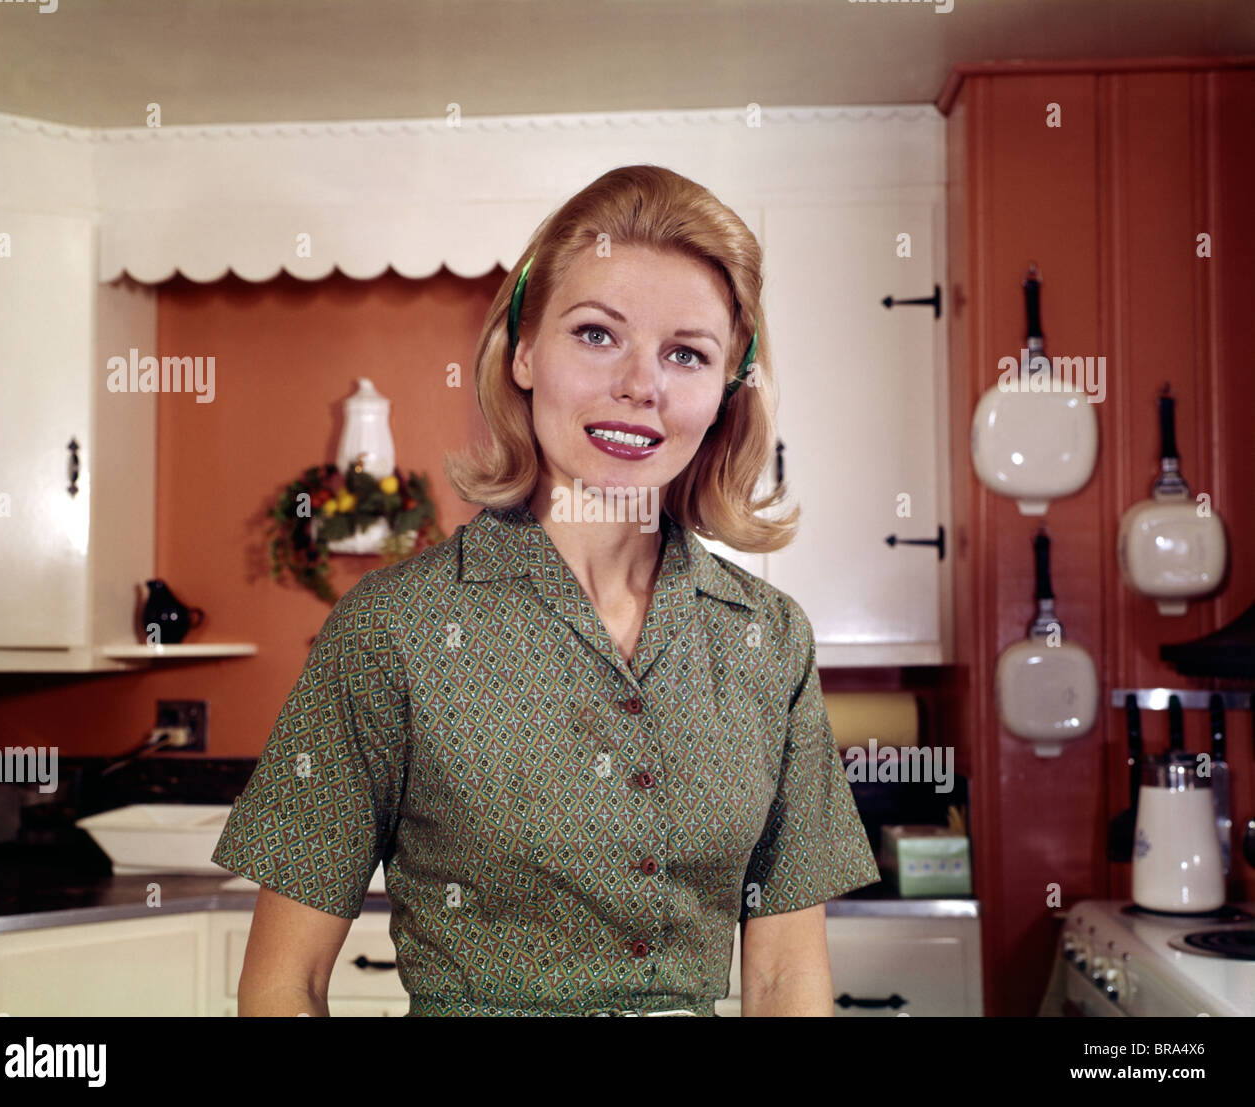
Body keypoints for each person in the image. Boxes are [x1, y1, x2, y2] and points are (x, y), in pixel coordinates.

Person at [212, 164, 880, 1017]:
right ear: (524, 352)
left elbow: (787, 979)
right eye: (598, 334)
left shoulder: (771, 639)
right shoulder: (393, 629)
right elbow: (281, 985)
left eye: (687, 353)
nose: (643, 383)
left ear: (723, 393)